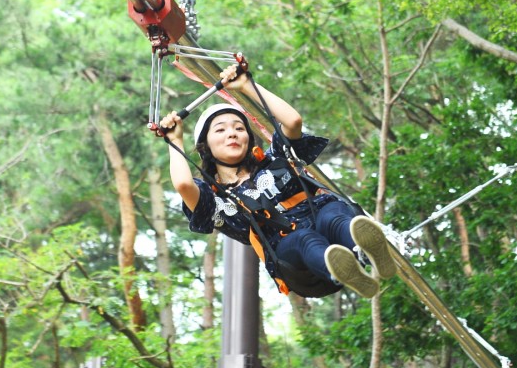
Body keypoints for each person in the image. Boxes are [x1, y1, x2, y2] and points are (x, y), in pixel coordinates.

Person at [157, 63, 395, 298]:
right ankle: (339, 268)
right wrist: (175, 140)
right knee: (304, 239)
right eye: (220, 130)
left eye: (239, 128)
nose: (232, 133)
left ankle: (363, 250)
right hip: (294, 259)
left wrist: (247, 86)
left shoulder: (274, 160)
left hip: (320, 218)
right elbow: (183, 185)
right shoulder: (213, 197)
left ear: (249, 139)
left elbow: (292, 122)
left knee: (333, 214)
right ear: (205, 147)